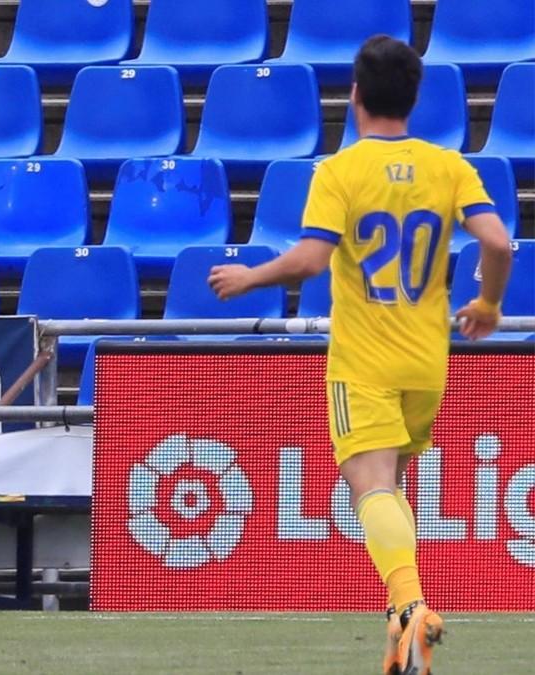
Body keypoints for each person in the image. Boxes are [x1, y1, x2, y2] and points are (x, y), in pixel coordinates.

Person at [207, 35, 513, 675]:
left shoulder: (340, 172)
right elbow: (499, 242)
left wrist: (250, 277)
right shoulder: (448, 166)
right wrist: (487, 305)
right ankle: (398, 642)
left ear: (353, 96)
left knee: (368, 488)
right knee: (392, 488)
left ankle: (410, 609)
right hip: (428, 360)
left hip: (364, 361)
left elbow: (313, 259)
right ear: (415, 98)